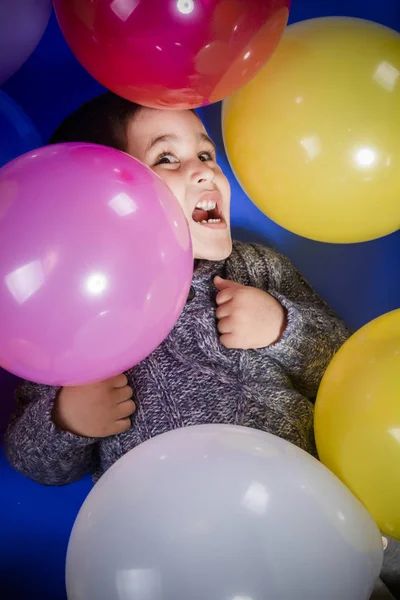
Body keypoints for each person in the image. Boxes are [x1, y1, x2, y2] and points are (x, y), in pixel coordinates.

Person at [5, 91, 350, 487]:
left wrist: (282, 328)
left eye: (206, 155)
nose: (205, 172)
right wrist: (67, 419)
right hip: (169, 531)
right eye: (166, 158)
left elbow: (345, 370)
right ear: (100, 196)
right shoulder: (68, 307)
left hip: (299, 497)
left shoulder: (255, 267)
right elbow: (32, 462)